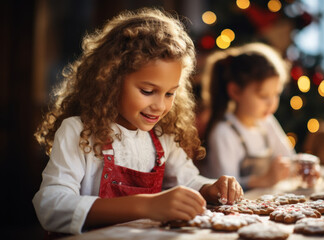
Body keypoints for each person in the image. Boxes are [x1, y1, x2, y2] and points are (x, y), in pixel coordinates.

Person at [32, 8, 243, 235]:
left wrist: (210, 188)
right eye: (147, 90)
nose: (160, 106)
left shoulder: (163, 137)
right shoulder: (78, 132)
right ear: (110, 80)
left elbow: (188, 180)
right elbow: (51, 206)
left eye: (170, 93)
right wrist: (146, 205)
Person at [199, 42, 295, 191]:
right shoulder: (224, 133)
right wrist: (263, 180)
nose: (271, 103)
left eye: (276, 94)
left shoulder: (267, 122)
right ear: (235, 91)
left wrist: (302, 168)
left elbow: (290, 159)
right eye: (263, 96)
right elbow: (224, 189)